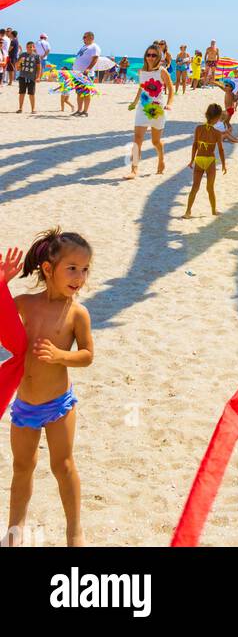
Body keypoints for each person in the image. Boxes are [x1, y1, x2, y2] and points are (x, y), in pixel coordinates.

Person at [1, 231, 94, 547]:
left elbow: (87, 355)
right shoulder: (24, 304)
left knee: (63, 466)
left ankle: (74, 531)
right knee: (22, 468)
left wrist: (60, 356)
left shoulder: (76, 314)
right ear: (47, 269)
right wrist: (2, 284)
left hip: (58, 405)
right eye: (72, 268)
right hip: (24, 405)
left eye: (85, 269)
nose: (79, 277)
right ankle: (15, 530)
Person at [125, 45, 174, 178]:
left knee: (155, 142)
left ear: (158, 57)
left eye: (154, 55)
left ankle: (161, 159)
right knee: (137, 139)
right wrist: (135, 103)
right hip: (143, 108)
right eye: (148, 55)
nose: (150, 57)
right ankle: (134, 169)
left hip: (157, 109)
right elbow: (141, 88)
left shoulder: (162, 71)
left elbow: (170, 87)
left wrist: (169, 103)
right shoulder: (142, 71)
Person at [184, 103, 228, 217]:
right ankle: (214, 210)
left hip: (199, 159)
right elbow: (221, 150)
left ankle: (188, 211)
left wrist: (191, 160)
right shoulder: (217, 133)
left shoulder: (198, 128)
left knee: (195, 187)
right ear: (218, 118)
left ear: (206, 114)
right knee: (210, 188)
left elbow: (194, 145)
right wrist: (223, 164)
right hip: (210, 161)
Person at [71, 32, 100, 116]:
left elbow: (95, 59)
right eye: (83, 37)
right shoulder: (84, 47)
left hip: (86, 74)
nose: (83, 39)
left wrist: (88, 68)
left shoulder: (94, 47)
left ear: (91, 37)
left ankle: (85, 111)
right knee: (79, 92)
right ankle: (79, 110)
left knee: (86, 93)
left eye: (84, 37)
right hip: (77, 73)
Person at [15, 42, 42, 114]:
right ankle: (20, 108)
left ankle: (33, 109)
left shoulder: (36, 56)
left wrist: (38, 77)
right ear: (26, 47)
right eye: (28, 47)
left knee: (32, 94)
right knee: (21, 93)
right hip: (22, 76)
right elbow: (17, 67)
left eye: (31, 47)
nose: (30, 48)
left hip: (32, 78)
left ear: (34, 48)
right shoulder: (22, 55)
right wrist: (20, 61)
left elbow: (39, 68)